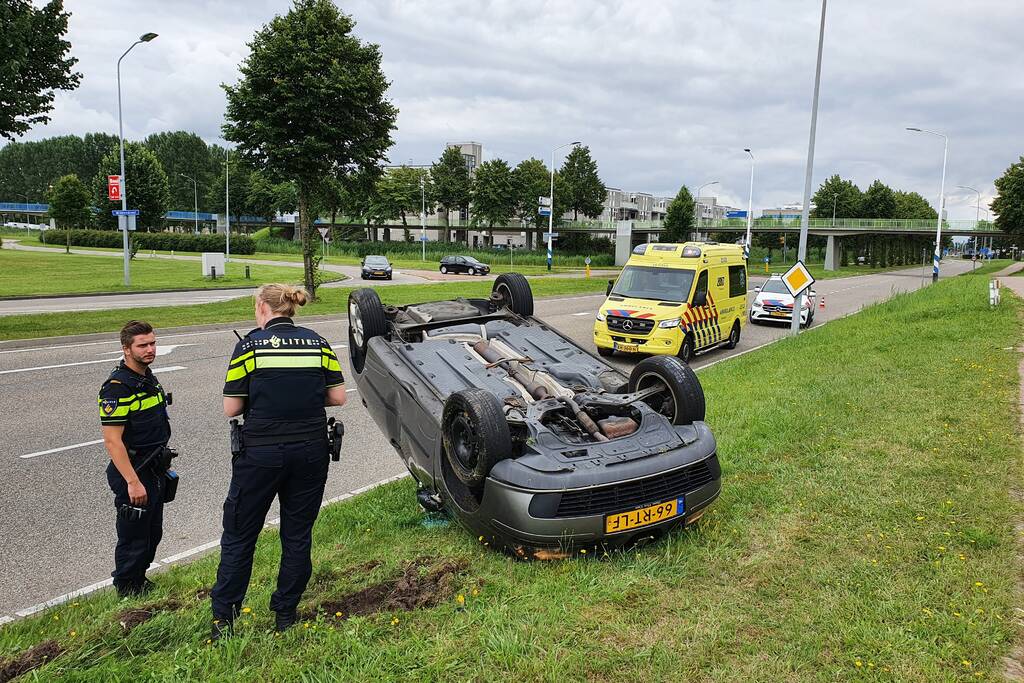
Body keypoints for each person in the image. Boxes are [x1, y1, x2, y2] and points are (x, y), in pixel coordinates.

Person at [210, 284, 346, 639]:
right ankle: (285, 614)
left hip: (261, 455)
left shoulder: (249, 346)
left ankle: (225, 620)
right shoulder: (318, 342)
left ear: (262, 308)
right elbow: (337, 397)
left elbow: (231, 408)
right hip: (311, 451)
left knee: (240, 536)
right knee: (297, 535)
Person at [99, 320, 173, 598]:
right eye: (143, 345)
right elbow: (112, 440)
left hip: (153, 467)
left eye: (153, 343)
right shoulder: (117, 388)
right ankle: (127, 588)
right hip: (133, 470)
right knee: (133, 535)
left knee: (152, 532)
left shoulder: (147, 377)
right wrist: (132, 481)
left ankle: (139, 580)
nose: (150, 349)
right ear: (126, 349)